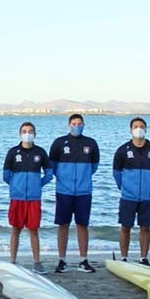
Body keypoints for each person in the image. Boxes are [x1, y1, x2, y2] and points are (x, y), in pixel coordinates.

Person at [49, 114, 99, 273]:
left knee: (82, 224)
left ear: (83, 125)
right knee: (63, 224)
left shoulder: (90, 143)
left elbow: (94, 166)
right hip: (64, 191)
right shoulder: (59, 143)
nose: (77, 126)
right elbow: (53, 166)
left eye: (79, 123)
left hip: (84, 191)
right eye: (74, 123)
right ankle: (62, 260)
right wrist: (64, 178)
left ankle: (83, 260)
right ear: (68, 125)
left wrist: (83, 179)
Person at [3, 122, 53, 274]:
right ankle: (12, 260)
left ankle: (37, 262)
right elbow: (6, 175)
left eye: (30, 131)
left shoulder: (40, 152)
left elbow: (49, 174)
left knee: (33, 229)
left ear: (35, 134)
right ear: (20, 134)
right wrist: (15, 187)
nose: (27, 133)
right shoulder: (13, 152)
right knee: (15, 229)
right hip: (17, 198)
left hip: (33, 198)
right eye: (24, 131)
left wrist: (37, 185)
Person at [113, 117, 150, 266]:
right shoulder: (123, 150)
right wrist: (126, 187)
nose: (138, 129)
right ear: (131, 129)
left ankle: (143, 258)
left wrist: (147, 185)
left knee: (145, 227)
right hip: (128, 196)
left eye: (141, 126)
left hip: (147, 197)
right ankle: (124, 257)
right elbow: (116, 173)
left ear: (145, 129)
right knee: (125, 227)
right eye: (135, 126)